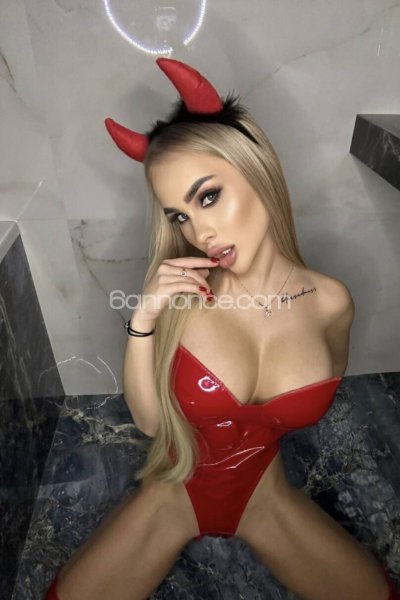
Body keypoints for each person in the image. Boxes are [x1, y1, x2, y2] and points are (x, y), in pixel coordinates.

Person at [44, 58, 399, 600]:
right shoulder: (184, 296)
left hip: (266, 498)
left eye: (208, 196)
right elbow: (150, 423)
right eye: (180, 216)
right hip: (171, 497)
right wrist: (143, 320)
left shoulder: (332, 302)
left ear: (256, 169)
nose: (201, 232)